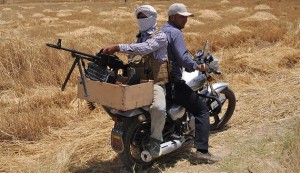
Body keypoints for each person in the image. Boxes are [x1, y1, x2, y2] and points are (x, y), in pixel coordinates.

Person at [102, 5, 168, 157]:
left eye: (145, 16)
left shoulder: (160, 36)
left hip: (155, 82)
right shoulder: (138, 37)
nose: (141, 20)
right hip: (138, 81)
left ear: (153, 17)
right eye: (139, 16)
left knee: (158, 108)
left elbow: (145, 48)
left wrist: (118, 46)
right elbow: (135, 55)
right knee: (109, 95)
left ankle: (156, 139)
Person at [161, 3, 221, 163]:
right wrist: (197, 66)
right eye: (182, 16)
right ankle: (202, 152)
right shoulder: (175, 33)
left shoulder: (160, 30)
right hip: (173, 83)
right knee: (201, 110)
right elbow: (182, 58)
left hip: (159, 83)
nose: (185, 20)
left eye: (186, 17)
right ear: (173, 17)